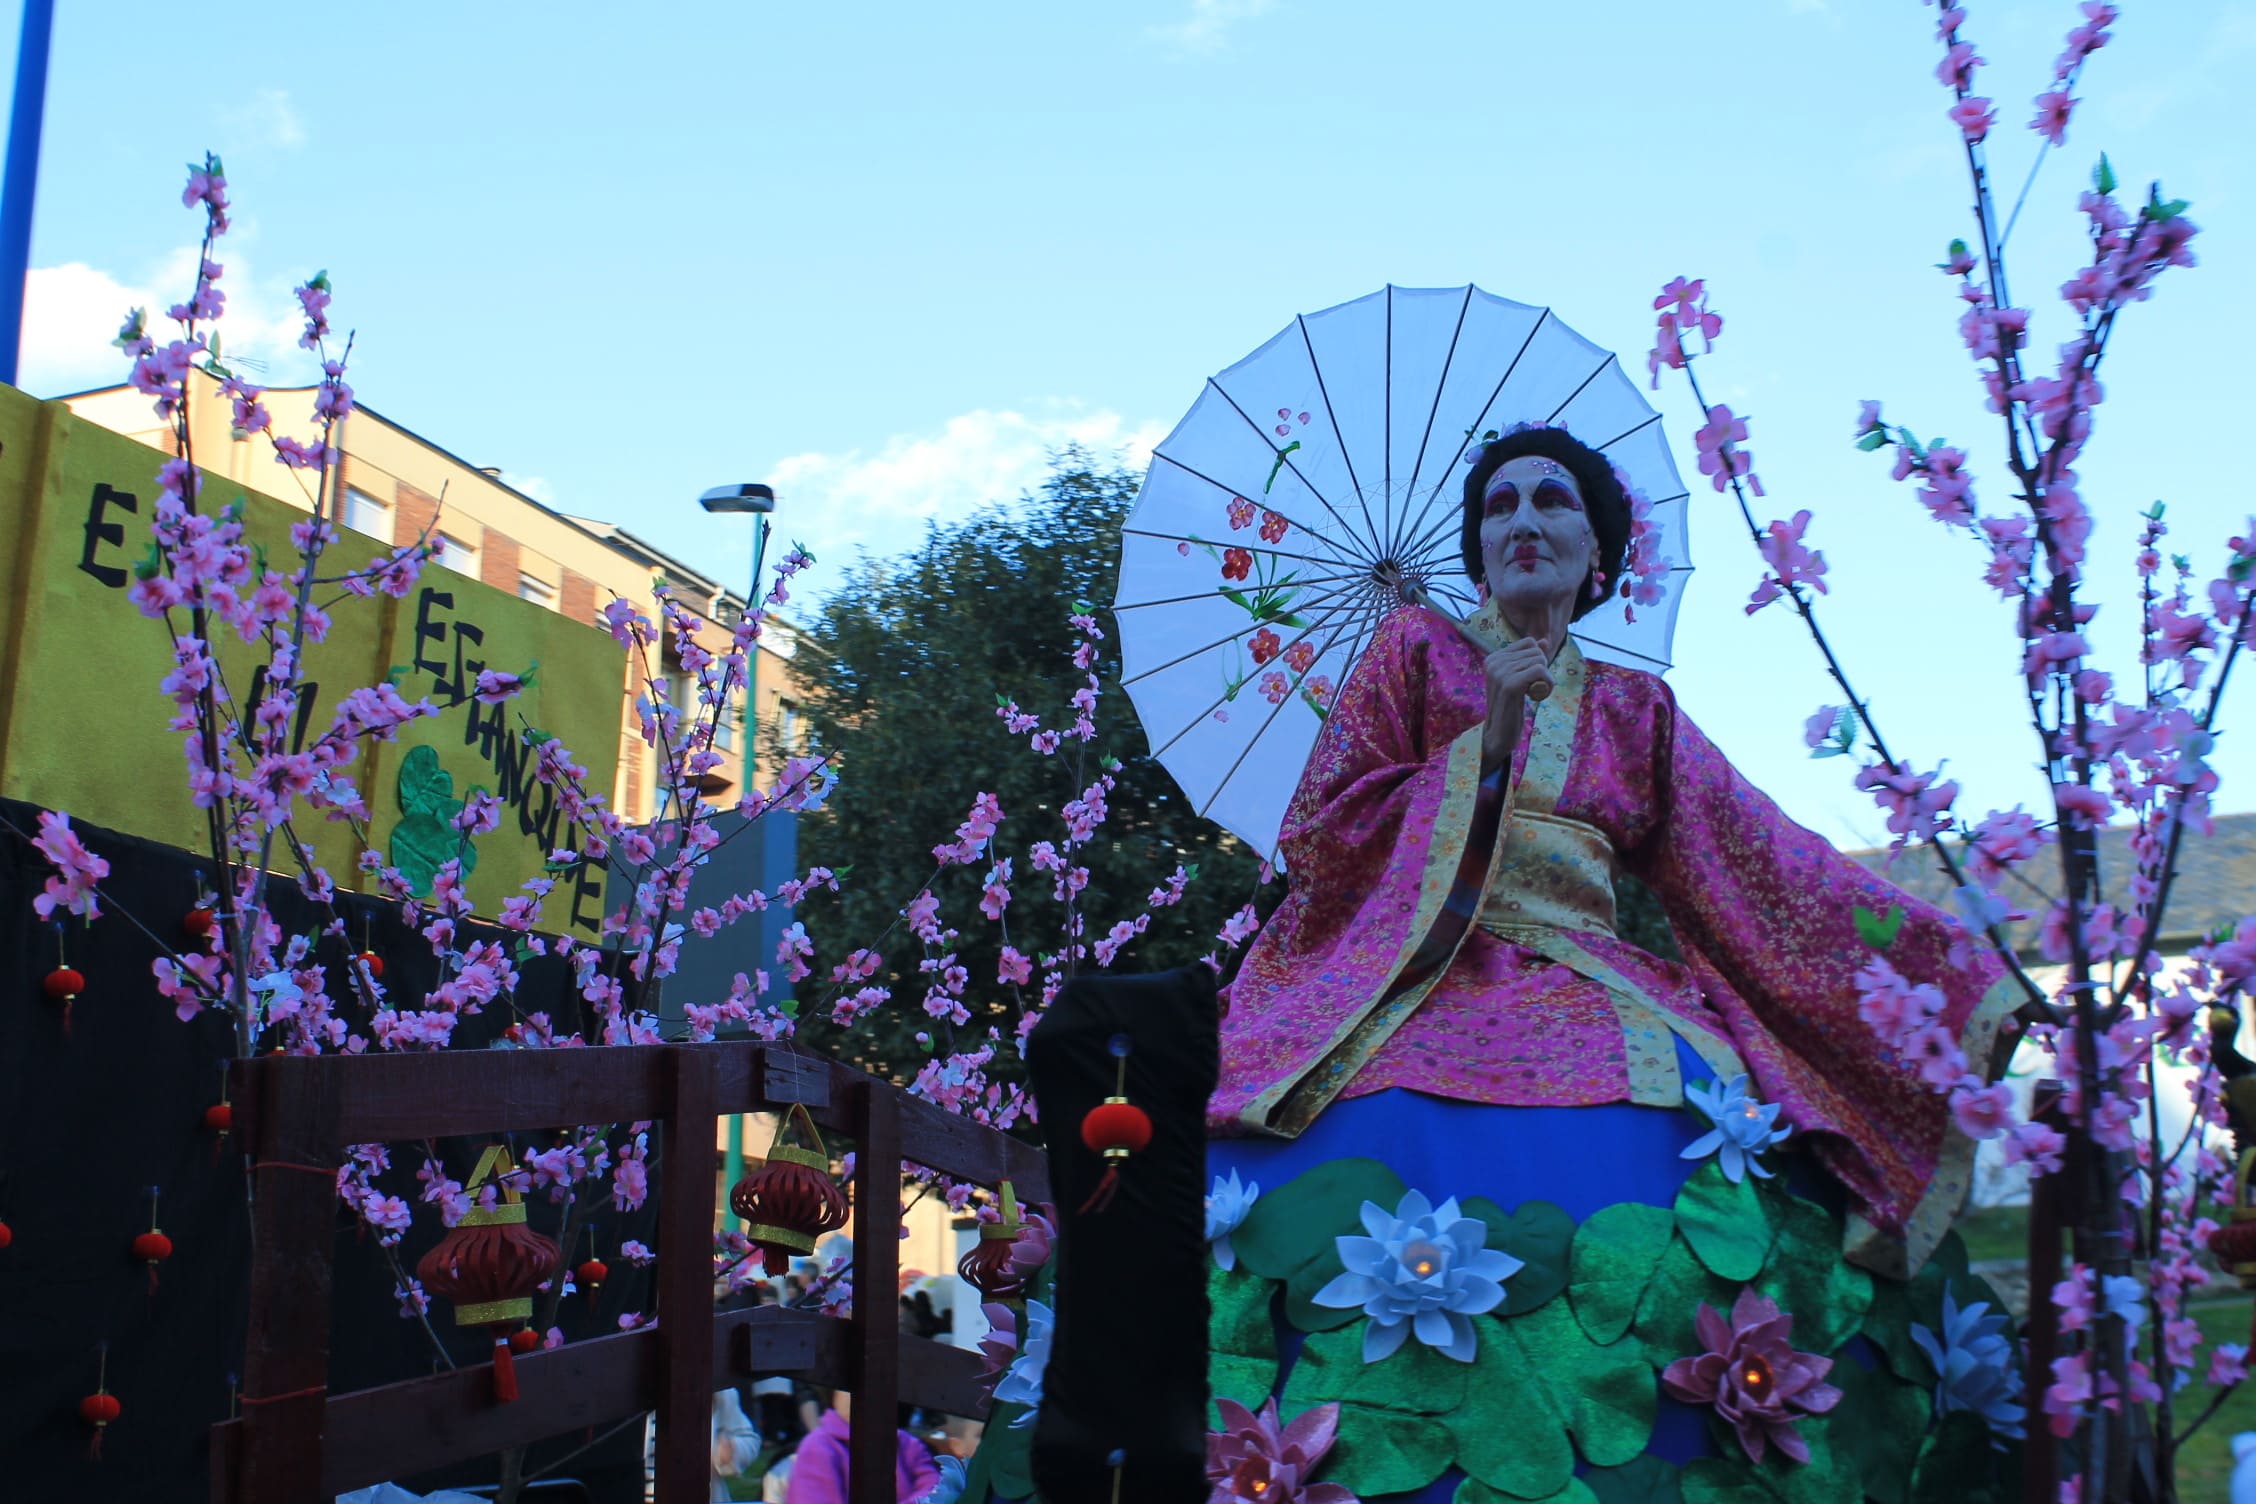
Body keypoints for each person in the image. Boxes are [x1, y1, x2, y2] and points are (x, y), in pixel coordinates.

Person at [1204, 425, 2018, 1497]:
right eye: (1500, 506)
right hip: (1405, 983)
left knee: (1715, 1122)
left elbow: (1761, 864)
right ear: (1477, 550)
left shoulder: (1638, 710)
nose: (1525, 519)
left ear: (1600, 555)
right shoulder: (1414, 651)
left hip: (1605, 984)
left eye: (1554, 501)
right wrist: (1484, 737)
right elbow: (1326, 829)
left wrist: (1949, 974)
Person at [782, 1388, 940, 1503]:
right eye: (851, 1387)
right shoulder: (817, 1448)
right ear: (834, 1395)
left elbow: (934, 1490)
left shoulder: (906, 1443)